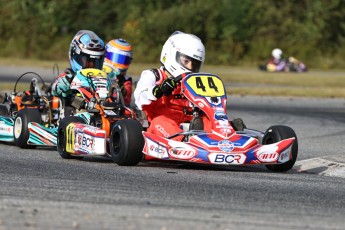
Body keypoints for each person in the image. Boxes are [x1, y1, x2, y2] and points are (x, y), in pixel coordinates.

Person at [134, 31, 245, 142]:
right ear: (171, 54)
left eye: (195, 63)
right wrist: (159, 90)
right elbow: (140, 97)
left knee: (208, 121)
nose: (190, 66)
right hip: (159, 125)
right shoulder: (153, 75)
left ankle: (231, 135)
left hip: (190, 123)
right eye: (186, 61)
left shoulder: (195, 81)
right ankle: (184, 141)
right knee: (161, 122)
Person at [51, 30, 105, 116]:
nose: (91, 65)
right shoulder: (68, 77)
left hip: (99, 113)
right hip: (74, 115)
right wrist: (67, 82)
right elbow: (54, 88)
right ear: (75, 56)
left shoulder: (102, 79)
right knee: (68, 109)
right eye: (87, 61)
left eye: (95, 61)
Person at [102, 38, 133, 106]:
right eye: (116, 58)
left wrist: (117, 83)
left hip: (116, 109)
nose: (119, 63)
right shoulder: (97, 72)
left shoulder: (126, 80)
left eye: (123, 60)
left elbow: (126, 99)